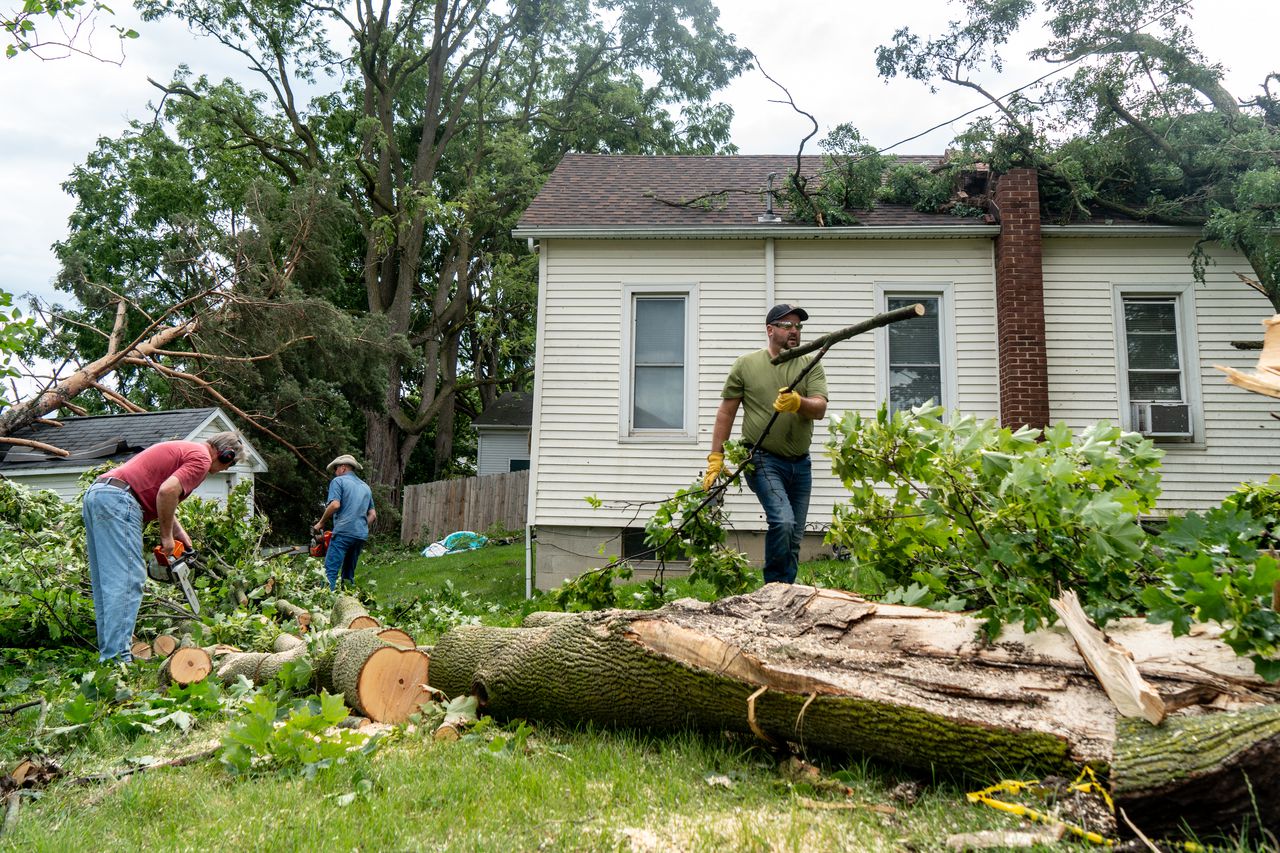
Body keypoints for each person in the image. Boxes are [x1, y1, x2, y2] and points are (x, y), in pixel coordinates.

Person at [82, 431, 244, 662]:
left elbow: (163, 494)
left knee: (106, 581)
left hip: (99, 493)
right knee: (128, 578)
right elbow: (167, 491)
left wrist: (179, 533)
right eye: (232, 463)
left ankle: (110, 654)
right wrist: (166, 537)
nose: (228, 468)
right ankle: (117, 657)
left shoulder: (189, 450)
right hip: (120, 500)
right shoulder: (202, 460)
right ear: (226, 455)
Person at [703, 304, 828, 584]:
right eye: (787, 325)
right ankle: (773, 589)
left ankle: (786, 592)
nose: (794, 331)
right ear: (770, 330)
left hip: (801, 463)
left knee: (794, 535)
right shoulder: (747, 365)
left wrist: (798, 402)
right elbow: (726, 412)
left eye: (798, 326)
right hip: (762, 459)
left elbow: (819, 409)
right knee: (783, 521)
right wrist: (715, 458)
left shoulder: (811, 363)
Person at [313, 454, 376, 590]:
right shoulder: (366, 487)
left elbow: (335, 505)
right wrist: (361, 525)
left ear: (342, 468)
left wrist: (321, 523)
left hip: (343, 533)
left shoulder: (338, 481)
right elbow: (372, 515)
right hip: (360, 535)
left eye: (336, 469)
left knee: (330, 571)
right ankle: (349, 601)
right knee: (348, 574)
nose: (335, 473)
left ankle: (325, 601)